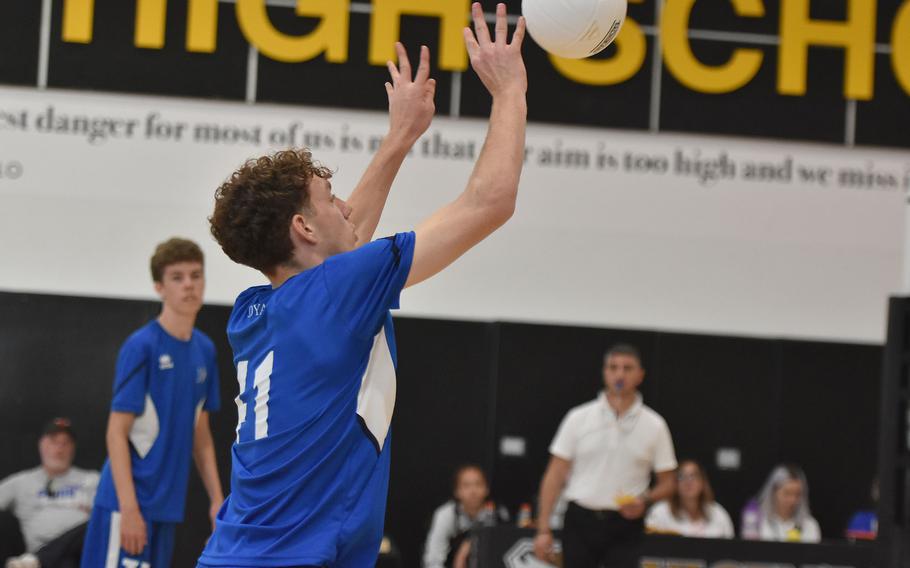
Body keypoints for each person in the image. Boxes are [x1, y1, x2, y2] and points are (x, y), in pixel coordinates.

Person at [196, 3, 527, 565]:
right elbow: (489, 202)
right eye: (329, 201)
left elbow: (343, 243)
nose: (347, 207)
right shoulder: (332, 294)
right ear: (301, 227)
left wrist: (400, 137)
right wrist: (509, 90)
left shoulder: (255, 309)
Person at [81, 238, 224, 568]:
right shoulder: (141, 346)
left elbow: (200, 433)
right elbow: (116, 433)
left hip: (166, 507)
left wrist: (217, 500)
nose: (189, 285)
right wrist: (129, 510)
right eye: (177, 277)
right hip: (128, 506)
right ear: (159, 286)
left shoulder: (205, 349)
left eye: (195, 275)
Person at [533, 344, 678, 568]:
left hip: (625, 523)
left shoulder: (655, 425)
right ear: (605, 373)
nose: (620, 374)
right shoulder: (578, 417)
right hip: (581, 520)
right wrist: (543, 529)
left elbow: (668, 482)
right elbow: (554, 474)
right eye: (614, 367)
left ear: (640, 375)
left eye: (628, 368)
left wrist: (645, 501)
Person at [1, 418, 99, 568]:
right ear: (41, 445)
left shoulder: (93, 480)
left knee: (96, 523)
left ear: (73, 448)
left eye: (65, 443)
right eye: (53, 441)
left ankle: (39, 560)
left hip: (81, 554)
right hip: (37, 549)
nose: (59, 449)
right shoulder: (21, 482)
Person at [423, 465, 509, 568]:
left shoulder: (498, 513)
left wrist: (470, 544)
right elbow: (433, 559)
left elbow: (506, 551)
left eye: (478, 484)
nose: (473, 491)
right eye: (466, 485)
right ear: (457, 491)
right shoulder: (446, 514)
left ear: (487, 489)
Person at [644, 459, 734, 539]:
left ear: (702, 482)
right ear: (674, 483)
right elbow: (648, 549)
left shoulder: (718, 514)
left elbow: (730, 552)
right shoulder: (660, 513)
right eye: (681, 476)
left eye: (693, 476)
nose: (688, 481)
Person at [740, 464, 821, 543]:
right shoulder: (755, 519)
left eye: (797, 494)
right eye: (787, 493)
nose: (793, 500)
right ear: (773, 492)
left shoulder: (810, 525)